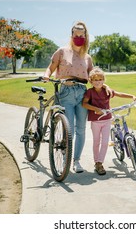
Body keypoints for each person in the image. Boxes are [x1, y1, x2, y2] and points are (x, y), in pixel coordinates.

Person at [42, 21, 93, 173]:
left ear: (85, 36)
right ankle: (65, 158)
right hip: (66, 92)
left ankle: (76, 161)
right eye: (76, 35)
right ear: (71, 35)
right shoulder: (62, 51)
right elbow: (50, 68)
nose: (78, 37)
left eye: (81, 35)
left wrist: (103, 84)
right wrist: (46, 76)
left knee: (81, 130)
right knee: (68, 128)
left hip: (82, 93)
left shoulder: (87, 57)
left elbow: (92, 75)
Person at [82, 67, 136, 175]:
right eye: (95, 80)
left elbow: (119, 94)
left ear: (103, 80)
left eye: (100, 80)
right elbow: (84, 104)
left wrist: (132, 96)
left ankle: (100, 163)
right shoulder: (90, 92)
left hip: (107, 120)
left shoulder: (107, 91)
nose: (98, 82)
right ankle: (96, 161)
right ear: (91, 81)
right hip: (95, 121)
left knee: (104, 143)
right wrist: (96, 109)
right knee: (96, 142)